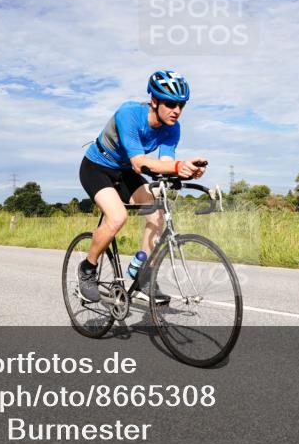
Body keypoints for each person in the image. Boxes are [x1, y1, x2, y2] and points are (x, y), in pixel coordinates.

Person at [77, 70, 206, 305]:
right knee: (117, 217)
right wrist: (179, 166)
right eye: (170, 104)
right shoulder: (129, 114)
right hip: (97, 168)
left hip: (125, 171)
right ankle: (88, 268)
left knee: (157, 216)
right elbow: (140, 163)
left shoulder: (172, 128)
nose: (176, 111)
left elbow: (165, 163)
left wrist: (185, 169)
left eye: (181, 105)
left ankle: (142, 273)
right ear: (154, 101)